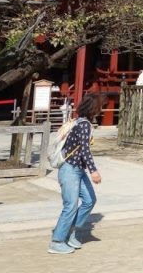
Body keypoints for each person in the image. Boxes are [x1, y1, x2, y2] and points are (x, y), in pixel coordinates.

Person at [49, 96, 102, 254]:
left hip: (78, 169)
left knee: (89, 200)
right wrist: (94, 171)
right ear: (94, 108)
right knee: (70, 205)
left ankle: (71, 231)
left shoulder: (80, 122)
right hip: (70, 169)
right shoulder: (84, 125)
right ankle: (57, 241)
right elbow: (85, 150)